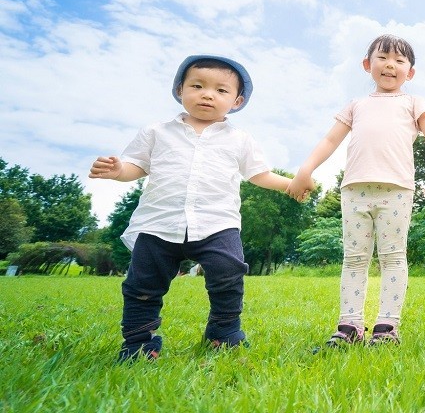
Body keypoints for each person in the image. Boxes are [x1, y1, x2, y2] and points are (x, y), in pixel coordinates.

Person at [89, 55, 293, 361]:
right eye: (197, 86)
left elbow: (258, 174)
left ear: (236, 101)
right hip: (159, 222)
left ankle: (223, 334)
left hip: (217, 222)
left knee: (229, 273)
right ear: (180, 90)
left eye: (221, 91)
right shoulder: (157, 132)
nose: (208, 94)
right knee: (142, 285)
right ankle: (138, 344)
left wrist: (291, 185)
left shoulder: (240, 139)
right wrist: (118, 170)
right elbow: (136, 166)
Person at [287, 34, 425, 346]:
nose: (390, 64)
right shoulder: (356, 105)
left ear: (410, 72)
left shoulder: (413, 103)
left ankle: (387, 326)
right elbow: (329, 141)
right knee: (354, 258)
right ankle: (349, 325)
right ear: (368, 65)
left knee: (393, 256)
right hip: (355, 190)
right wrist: (305, 169)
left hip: (396, 191)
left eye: (399, 60)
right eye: (383, 57)